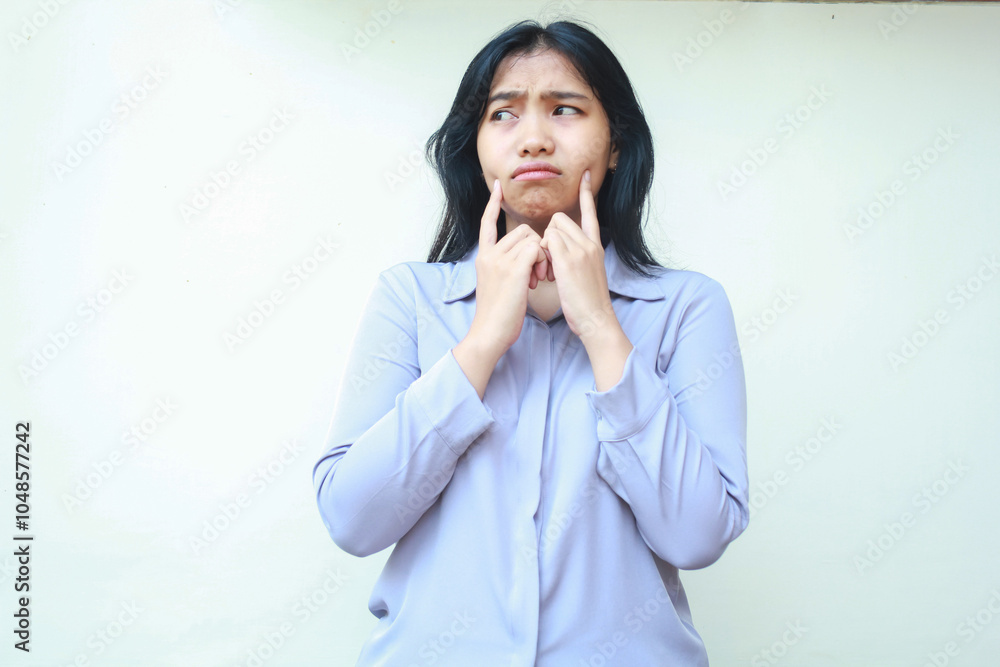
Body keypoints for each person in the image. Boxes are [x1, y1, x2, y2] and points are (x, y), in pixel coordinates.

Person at [313, 18, 748, 666]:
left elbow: (696, 534)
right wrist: (483, 341)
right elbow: (352, 519)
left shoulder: (687, 306)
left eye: (566, 109)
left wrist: (602, 328)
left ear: (617, 144)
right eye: (504, 114)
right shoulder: (410, 298)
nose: (535, 137)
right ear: (478, 145)